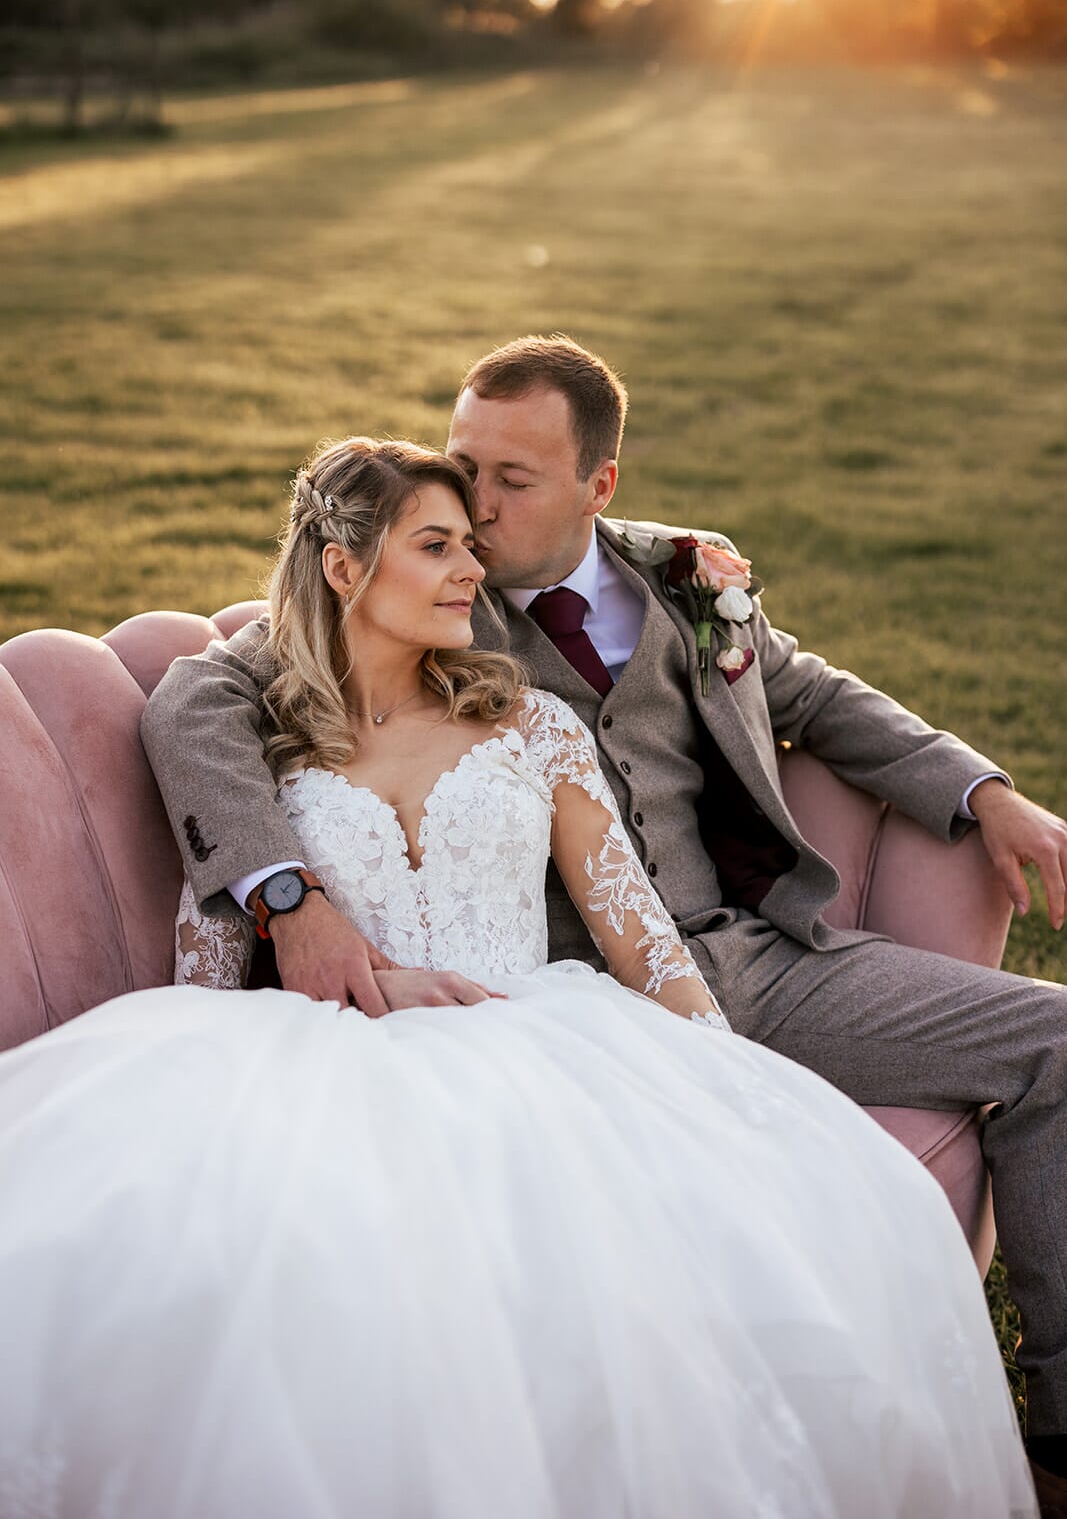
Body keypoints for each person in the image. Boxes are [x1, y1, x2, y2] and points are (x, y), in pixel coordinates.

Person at [0, 438, 1036, 1517]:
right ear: (345, 569)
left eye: (469, 545)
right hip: (330, 1049)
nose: (468, 570)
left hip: (539, 1033)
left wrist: (725, 1078)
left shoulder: (529, 722)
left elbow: (633, 931)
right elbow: (210, 950)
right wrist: (218, 1049)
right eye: (436, 546)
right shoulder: (258, 742)